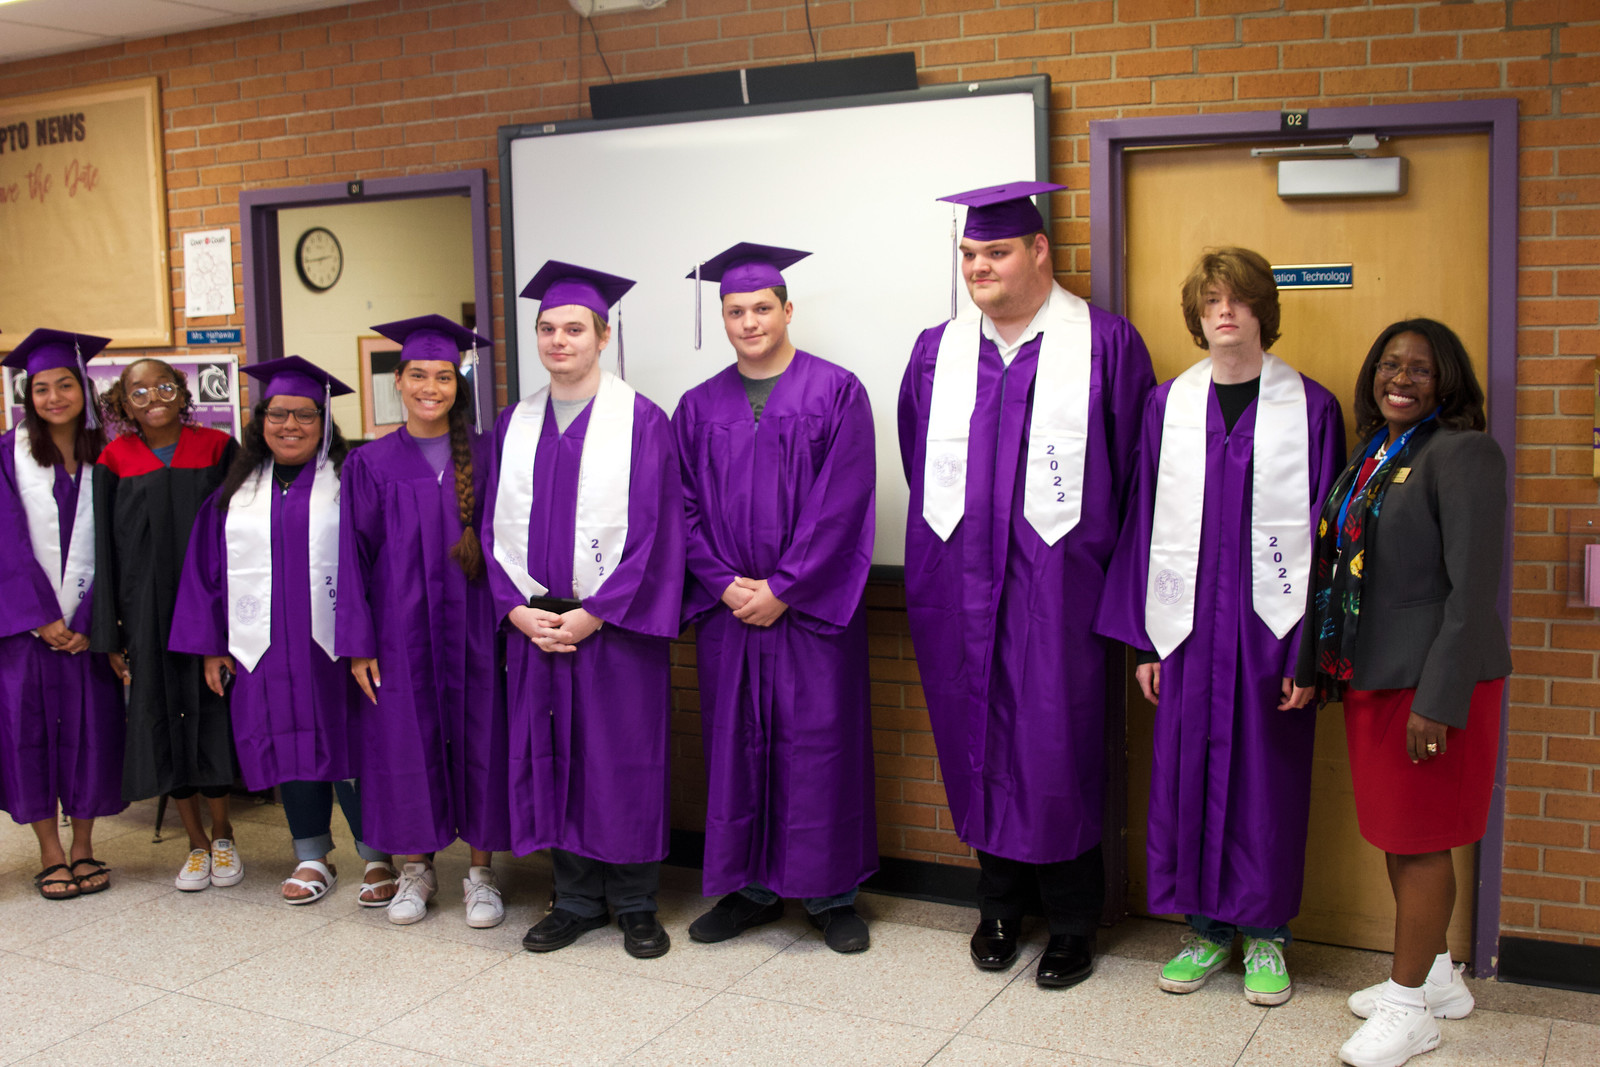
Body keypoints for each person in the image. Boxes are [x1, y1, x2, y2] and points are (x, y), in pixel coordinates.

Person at [898, 181, 1155, 988]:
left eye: (996, 251)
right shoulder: (937, 352)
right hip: (960, 585)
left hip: (1062, 591)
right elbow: (918, 455)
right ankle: (999, 904)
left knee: (1058, 743)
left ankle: (1074, 920)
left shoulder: (1106, 344)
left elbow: (1134, 475)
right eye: (969, 253)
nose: (978, 266)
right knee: (975, 733)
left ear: (1040, 252)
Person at [1095, 248, 1345, 1006]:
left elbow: (1329, 542)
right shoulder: (1168, 405)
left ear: (1263, 309)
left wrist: (1312, 656)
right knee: (1185, 774)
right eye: (1210, 302)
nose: (1224, 312)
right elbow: (1143, 524)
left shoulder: (1312, 408)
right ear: (1197, 317)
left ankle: (1266, 934)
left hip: (1273, 632)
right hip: (1191, 631)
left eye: (1237, 299)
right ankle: (1205, 928)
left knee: (1267, 778)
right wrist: (1145, 640)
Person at [1295, 319, 1509, 1067]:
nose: (1402, 378)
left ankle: (1409, 1007)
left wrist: (1440, 700)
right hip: (1375, 677)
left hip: (1433, 686)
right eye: (1390, 364)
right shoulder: (1376, 456)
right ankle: (1440, 976)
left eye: (1420, 368)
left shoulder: (1463, 453)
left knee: (1420, 844)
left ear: (1446, 381)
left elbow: (1472, 590)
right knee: (1399, 833)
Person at [674, 243, 877, 953]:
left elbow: (844, 501)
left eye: (763, 308)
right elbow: (682, 510)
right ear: (722, 318)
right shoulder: (697, 406)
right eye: (736, 310)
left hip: (811, 611)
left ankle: (832, 895)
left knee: (820, 746)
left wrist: (786, 588)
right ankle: (749, 890)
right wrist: (726, 583)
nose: (750, 320)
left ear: (788, 311)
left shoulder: (838, 391)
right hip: (730, 611)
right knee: (738, 746)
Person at [485, 261, 685, 959]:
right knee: (554, 754)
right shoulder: (515, 423)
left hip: (615, 627)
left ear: (604, 335)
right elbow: (491, 529)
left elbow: (661, 531)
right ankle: (572, 899)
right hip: (537, 626)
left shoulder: (643, 422)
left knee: (622, 758)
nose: (558, 340)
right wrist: (515, 610)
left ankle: (634, 902)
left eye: (574, 328)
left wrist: (596, 613)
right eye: (547, 328)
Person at [171, 357, 396, 907]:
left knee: (352, 745)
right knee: (287, 744)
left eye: (304, 415)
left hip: (337, 644)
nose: (289, 425)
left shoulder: (351, 479)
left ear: (323, 423)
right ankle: (313, 855)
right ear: (260, 421)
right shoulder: (234, 492)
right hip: (263, 649)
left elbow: (380, 559)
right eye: (278, 415)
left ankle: (378, 856)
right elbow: (206, 572)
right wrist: (210, 648)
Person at [337, 315, 511, 928]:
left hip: (477, 628)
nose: (430, 387)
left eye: (443, 376)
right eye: (418, 375)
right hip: (397, 631)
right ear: (399, 382)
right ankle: (415, 869)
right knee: (404, 743)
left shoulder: (490, 455)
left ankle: (482, 873)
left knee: (482, 736)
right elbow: (351, 558)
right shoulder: (370, 463)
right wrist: (359, 645)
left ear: (456, 385)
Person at [92, 357, 240, 891]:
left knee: (212, 715)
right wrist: (113, 634)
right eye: (137, 392)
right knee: (164, 720)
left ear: (182, 391)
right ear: (122, 404)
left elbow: (241, 533)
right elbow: (104, 552)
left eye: (162, 386)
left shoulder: (219, 449)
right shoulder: (114, 459)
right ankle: (196, 842)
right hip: (146, 615)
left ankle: (224, 833)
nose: (152, 397)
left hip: (210, 610)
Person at [0, 330, 125, 899]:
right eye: (42, 388)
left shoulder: (113, 454)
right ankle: (50, 851)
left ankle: (84, 848)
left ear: (85, 389)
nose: (54, 398)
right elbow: (5, 541)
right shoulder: (7, 455)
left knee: (91, 731)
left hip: (88, 630)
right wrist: (41, 615)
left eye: (65, 385)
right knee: (28, 733)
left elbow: (123, 543)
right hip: (27, 631)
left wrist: (93, 618)